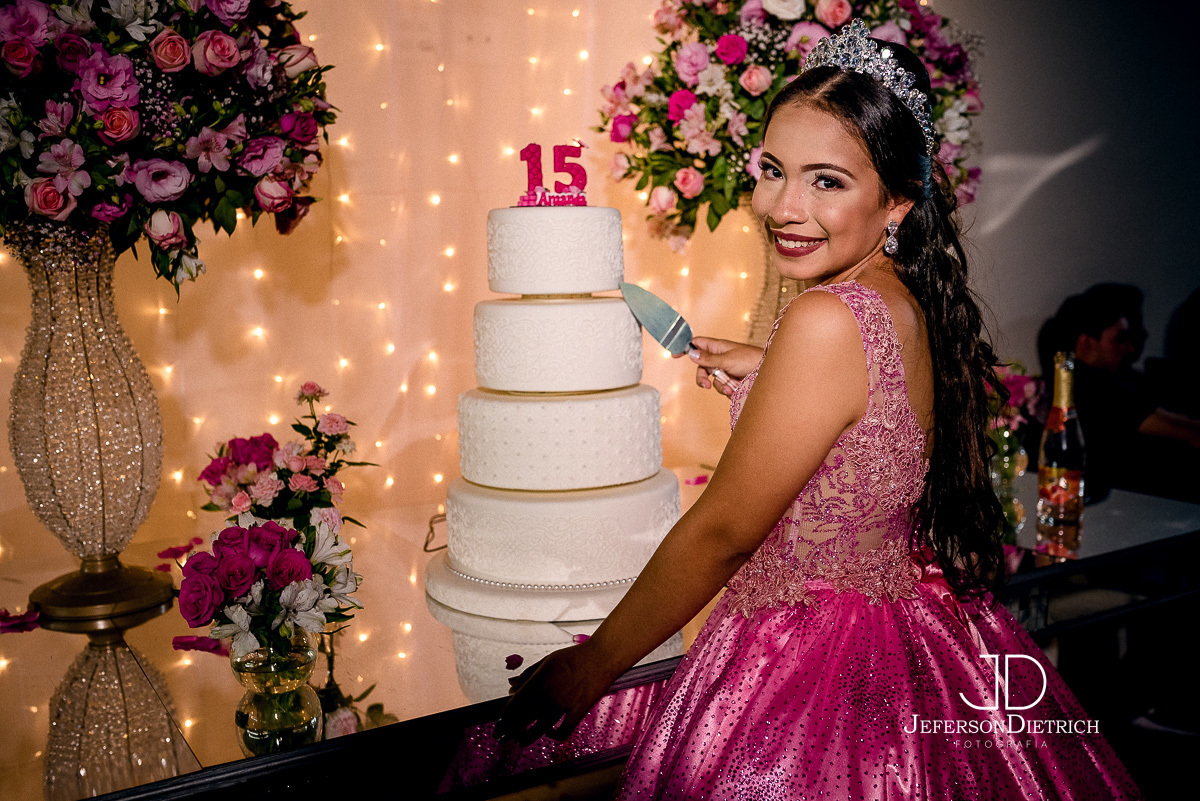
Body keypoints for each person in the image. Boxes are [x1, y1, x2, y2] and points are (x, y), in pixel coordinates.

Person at [496, 20, 1143, 799]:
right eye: (773, 170)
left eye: (826, 181)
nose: (781, 205)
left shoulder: (825, 320)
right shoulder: (905, 301)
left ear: (898, 202)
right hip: (916, 630)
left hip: (812, 665)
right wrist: (769, 367)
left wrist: (592, 663)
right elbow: (875, 412)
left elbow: (727, 533)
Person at [1038, 284, 1199, 501]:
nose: (1130, 348)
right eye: (1119, 339)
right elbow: (1187, 432)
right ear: (1085, 343)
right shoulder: (1091, 391)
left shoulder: (1117, 382)